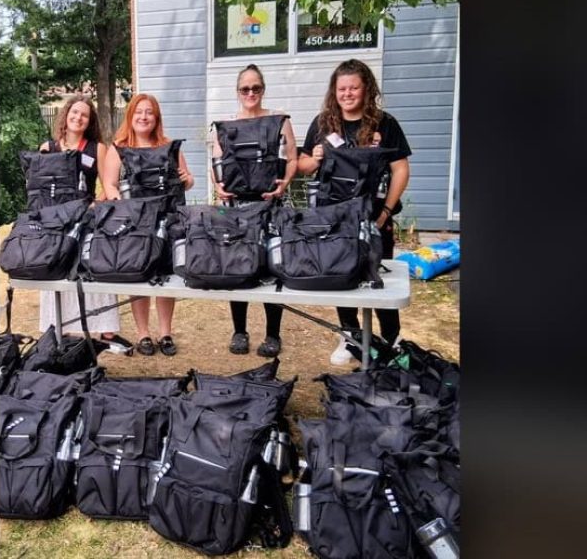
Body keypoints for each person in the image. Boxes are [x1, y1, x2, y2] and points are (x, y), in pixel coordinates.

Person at [297, 59, 411, 365]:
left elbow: (401, 169)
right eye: (341, 88)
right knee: (340, 275)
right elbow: (302, 165)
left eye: (354, 88)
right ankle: (350, 337)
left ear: (366, 89)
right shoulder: (323, 123)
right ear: (334, 92)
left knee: (380, 278)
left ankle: (391, 340)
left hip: (375, 217)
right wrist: (315, 158)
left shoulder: (385, 124)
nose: (347, 94)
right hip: (333, 220)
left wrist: (386, 211)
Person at [211, 64, 297, 357]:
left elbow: (292, 158)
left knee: (272, 268)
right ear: (238, 92)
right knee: (237, 267)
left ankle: (273, 334)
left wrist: (283, 183)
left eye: (256, 88)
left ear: (263, 90)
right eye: (245, 88)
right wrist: (219, 187)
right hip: (236, 206)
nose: (251, 93)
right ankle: (239, 331)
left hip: (270, 203)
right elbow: (217, 163)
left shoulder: (278, 121)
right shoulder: (226, 125)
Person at [35, 96, 133, 354]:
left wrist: (95, 203)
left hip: (86, 221)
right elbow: (39, 187)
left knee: (95, 269)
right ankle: (58, 328)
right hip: (56, 224)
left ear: (89, 121)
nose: (78, 118)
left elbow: (107, 183)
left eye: (84, 115)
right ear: (66, 115)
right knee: (57, 272)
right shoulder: (48, 147)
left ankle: (107, 330)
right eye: (75, 112)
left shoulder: (96, 148)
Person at [101, 93, 194, 356]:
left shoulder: (169, 146)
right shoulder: (118, 147)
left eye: (149, 112)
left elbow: (187, 180)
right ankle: (143, 333)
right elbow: (109, 183)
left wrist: (187, 179)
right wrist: (115, 197)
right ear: (131, 115)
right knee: (139, 274)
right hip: (135, 222)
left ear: (156, 118)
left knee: (166, 275)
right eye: (139, 112)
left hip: (168, 218)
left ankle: (165, 332)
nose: (144, 117)